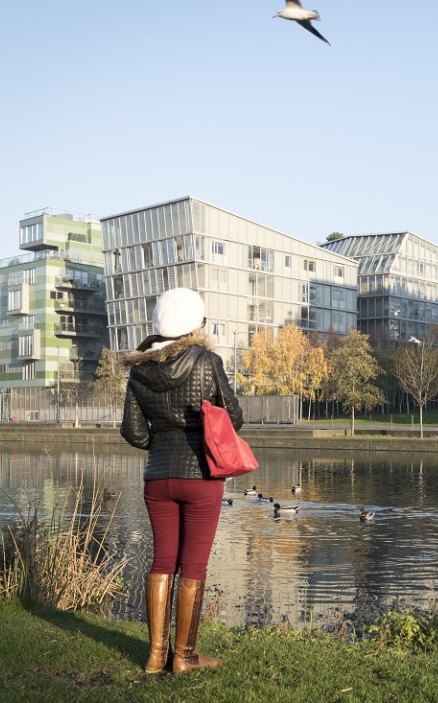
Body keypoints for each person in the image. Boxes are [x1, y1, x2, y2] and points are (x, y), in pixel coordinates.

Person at [120, 287, 243, 674]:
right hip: (201, 477)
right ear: (197, 326)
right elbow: (234, 417)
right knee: (193, 565)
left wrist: (161, 444)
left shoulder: (139, 370)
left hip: (157, 477)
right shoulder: (208, 361)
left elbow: (133, 432)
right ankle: (185, 657)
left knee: (161, 561)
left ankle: (156, 656)